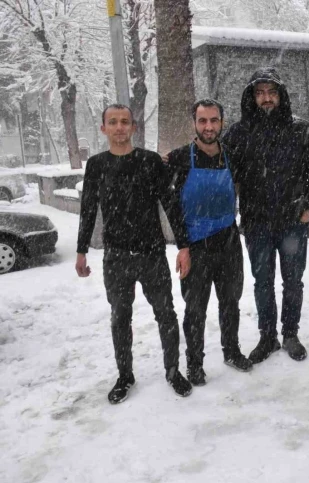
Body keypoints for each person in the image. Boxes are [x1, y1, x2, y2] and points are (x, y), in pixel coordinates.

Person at [76, 104, 193, 404]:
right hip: (116, 257)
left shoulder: (150, 162)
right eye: (112, 122)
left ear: (133, 127)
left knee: (166, 313)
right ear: (103, 128)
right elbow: (88, 210)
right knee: (120, 317)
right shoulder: (97, 165)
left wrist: (183, 246)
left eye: (124, 122)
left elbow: (170, 204)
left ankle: (172, 370)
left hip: (152, 254)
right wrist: (81, 252)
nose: (119, 127)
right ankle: (125, 375)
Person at [223, 67, 309, 364]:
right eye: (260, 93)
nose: (266, 98)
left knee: (293, 280)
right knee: (262, 281)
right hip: (257, 222)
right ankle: (267, 335)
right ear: (252, 97)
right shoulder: (239, 132)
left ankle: (290, 333)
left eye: (271, 92)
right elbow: (220, 167)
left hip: (293, 219)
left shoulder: (301, 129)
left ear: (280, 95)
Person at [165, 99, 253, 387]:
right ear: (194, 123)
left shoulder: (232, 156)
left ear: (221, 123)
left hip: (228, 240)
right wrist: (183, 246)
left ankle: (231, 351)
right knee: (195, 309)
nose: (209, 127)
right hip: (195, 243)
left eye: (214, 120)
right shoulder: (179, 158)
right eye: (203, 121)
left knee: (230, 302)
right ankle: (194, 363)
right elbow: (172, 206)